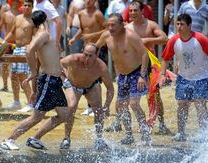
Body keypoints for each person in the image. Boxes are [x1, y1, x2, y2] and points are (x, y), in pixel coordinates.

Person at [0, 10, 68, 150]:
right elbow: (29, 51)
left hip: (55, 80)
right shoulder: (43, 34)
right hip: (49, 80)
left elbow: (43, 56)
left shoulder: (44, 35)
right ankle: (9, 139)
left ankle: (35, 139)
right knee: (37, 116)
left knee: (64, 115)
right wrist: (33, 72)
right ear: (47, 20)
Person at [96, 13, 150, 145]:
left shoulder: (130, 36)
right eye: (108, 25)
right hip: (122, 75)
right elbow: (95, 48)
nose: (110, 28)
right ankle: (129, 135)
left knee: (134, 104)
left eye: (113, 25)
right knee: (121, 106)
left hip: (137, 73)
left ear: (121, 25)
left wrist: (142, 76)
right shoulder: (106, 36)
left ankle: (145, 134)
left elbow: (144, 54)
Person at [159, 14, 208, 142]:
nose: (179, 27)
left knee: (200, 104)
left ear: (189, 26)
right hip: (183, 77)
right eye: (177, 24)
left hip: (201, 77)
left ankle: (204, 133)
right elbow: (165, 58)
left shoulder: (200, 39)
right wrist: (163, 75)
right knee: (182, 105)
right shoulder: (174, 40)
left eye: (182, 24)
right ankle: (181, 133)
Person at [125, 0, 170, 135]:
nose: (132, 13)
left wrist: (147, 41)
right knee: (130, 98)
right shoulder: (127, 28)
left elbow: (164, 38)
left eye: (135, 10)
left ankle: (161, 124)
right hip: (133, 66)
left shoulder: (150, 25)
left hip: (150, 65)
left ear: (142, 11)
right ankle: (141, 124)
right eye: (130, 10)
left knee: (155, 95)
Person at [58, 43, 114, 150]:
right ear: (82, 52)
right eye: (85, 54)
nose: (87, 58)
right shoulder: (74, 58)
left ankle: (99, 139)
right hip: (73, 85)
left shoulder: (101, 67)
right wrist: (64, 77)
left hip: (91, 86)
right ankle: (66, 138)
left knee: (98, 109)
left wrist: (107, 106)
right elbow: (59, 63)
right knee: (71, 107)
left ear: (96, 55)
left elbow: (110, 89)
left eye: (90, 56)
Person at [3, 0, 33, 112]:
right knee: (14, 76)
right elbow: (12, 32)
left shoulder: (33, 20)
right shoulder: (18, 18)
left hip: (26, 50)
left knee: (23, 77)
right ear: (22, 6)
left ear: (32, 7)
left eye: (29, 5)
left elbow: (35, 36)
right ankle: (16, 102)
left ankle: (31, 103)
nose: (27, 7)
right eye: (25, 5)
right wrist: (4, 41)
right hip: (16, 49)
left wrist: (31, 49)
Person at [0, 3, 16, 92]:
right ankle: (5, 86)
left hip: (18, 43)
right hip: (8, 43)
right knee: (5, 65)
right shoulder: (5, 14)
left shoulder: (21, 14)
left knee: (20, 65)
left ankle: (22, 85)